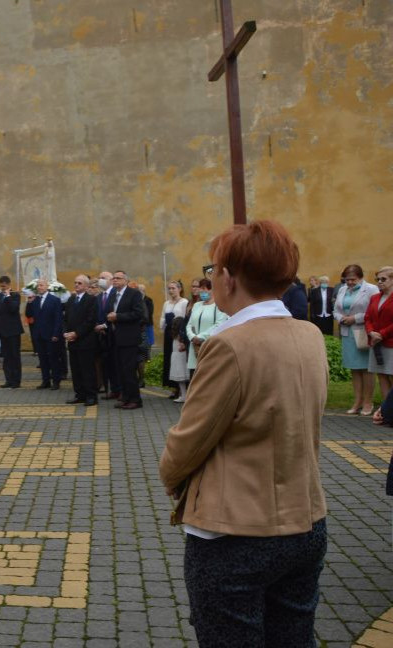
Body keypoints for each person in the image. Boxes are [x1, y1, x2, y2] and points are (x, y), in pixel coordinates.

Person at [159, 220, 327, 647]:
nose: (212, 279)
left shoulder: (229, 343)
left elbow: (190, 439)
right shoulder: (309, 335)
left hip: (234, 530)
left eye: (214, 269)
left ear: (229, 278)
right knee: (293, 636)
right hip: (305, 520)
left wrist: (170, 476)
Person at [334, 264, 379, 415]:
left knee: (366, 369)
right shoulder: (342, 289)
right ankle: (357, 401)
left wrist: (355, 318)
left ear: (361, 277)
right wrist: (341, 318)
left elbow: (373, 310)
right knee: (354, 369)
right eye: (347, 280)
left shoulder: (371, 289)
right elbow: (336, 309)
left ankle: (368, 402)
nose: (350, 283)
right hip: (347, 333)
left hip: (362, 332)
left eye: (353, 279)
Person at [106, 271, 146, 410]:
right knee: (120, 370)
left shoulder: (133, 294)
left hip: (129, 338)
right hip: (115, 337)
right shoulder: (112, 295)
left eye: (118, 278)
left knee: (129, 370)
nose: (115, 280)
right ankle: (125, 396)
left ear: (125, 280)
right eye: (113, 278)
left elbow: (138, 313)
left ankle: (135, 399)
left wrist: (118, 317)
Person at [64, 275, 99, 407]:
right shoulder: (71, 299)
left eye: (79, 283)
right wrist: (66, 332)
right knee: (76, 369)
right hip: (72, 341)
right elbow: (66, 318)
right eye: (75, 282)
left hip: (85, 341)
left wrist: (76, 333)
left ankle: (91, 396)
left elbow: (90, 321)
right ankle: (80, 394)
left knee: (87, 370)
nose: (76, 285)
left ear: (86, 286)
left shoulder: (91, 300)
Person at [365, 266, 393, 420]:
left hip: (390, 342)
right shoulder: (375, 297)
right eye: (378, 280)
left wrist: (381, 334)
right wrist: (371, 332)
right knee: (382, 375)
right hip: (376, 342)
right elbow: (367, 317)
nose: (380, 282)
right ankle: (387, 412)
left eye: (384, 279)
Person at [25, 279, 63, 390]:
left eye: (41, 285)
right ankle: (45, 381)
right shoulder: (35, 300)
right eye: (38, 285)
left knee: (53, 358)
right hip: (39, 334)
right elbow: (29, 315)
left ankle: (56, 381)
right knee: (42, 359)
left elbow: (58, 318)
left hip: (51, 334)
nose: (39, 287)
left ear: (47, 287)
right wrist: (29, 302)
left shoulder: (54, 300)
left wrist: (56, 333)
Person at [186, 278, 228, 375]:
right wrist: (192, 337)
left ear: (212, 290)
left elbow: (219, 325)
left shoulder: (219, 306)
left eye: (205, 289)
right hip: (195, 346)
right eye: (201, 289)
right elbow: (189, 324)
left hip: (209, 345)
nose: (202, 291)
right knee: (195, 375)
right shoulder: (197, 305)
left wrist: (200, 337)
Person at [0, 275, 23, 389]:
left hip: (14, 331)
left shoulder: (15, 295)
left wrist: (8, 295)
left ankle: (16, 381)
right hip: (3, 331)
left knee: (15, 356)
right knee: (6, 357)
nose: (2, 289)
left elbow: (14, 308)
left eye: (4, 286)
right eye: (1, 287)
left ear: (9, 285)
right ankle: (8, 380)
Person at [160, 281, 188, 399]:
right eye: (169, 288)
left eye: (173, 288)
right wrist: (164, 323)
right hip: (169, 333)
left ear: (180, 289)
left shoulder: (184, 302)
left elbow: (185, 317)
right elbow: (162, 317)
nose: (171, 291)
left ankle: (184, 389)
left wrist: (181, 332)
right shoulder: (166, 303)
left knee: (180, 359)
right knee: (170, 359)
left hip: (179, 333)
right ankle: (174, 387)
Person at [137, 283, 154, 388]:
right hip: (138, 330)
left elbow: (148, 314)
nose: (140, 292)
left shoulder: (147, 300)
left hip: (145, 328)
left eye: (142, 290)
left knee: (143, 355)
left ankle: (142, 378)